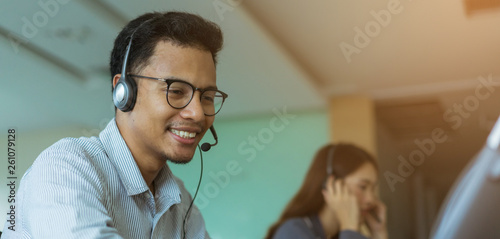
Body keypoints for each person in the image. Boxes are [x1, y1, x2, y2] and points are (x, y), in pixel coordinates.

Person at [2, 11, 227, 239]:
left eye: (207, 96)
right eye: (176, 91)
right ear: (124, 91)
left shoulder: (179, 200)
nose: (198, 113)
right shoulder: (65, 167)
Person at [265, 144, 388, 239]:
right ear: (331, 185)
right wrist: (349, 228)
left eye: (373, 189)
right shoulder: (292, 232)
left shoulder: (342, 235)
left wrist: (379, 233)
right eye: (362, 186)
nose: (371, 199)